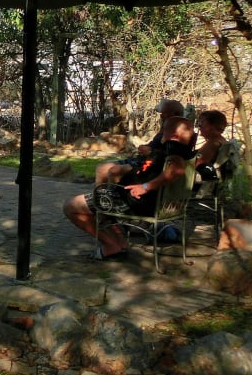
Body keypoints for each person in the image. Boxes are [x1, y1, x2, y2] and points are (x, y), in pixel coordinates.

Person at [64, 114, 195, 259]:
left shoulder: (174, 147)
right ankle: (120, 243)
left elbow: (177, 170)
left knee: (71, 206)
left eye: (164, 130)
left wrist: (145, 187)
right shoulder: (180, 150)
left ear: (174, 135)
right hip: (138, 200)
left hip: (134, 202)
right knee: (103, 195)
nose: (161, 133)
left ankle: (111, 245)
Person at [95, 98, 193, 185]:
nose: (161, 116)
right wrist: (146, 148)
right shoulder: (168, 129)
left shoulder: (179, 134)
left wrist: (150, 152)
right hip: (145, 160)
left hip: (150, 166)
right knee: (101, 168)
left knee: (112, 170)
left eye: (164, 113)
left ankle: (110, 196)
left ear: (174, 114)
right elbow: (158, 148)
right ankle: (101, 196)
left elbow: (169, 156)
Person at [192, 109, 228, 182]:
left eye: (202, 122)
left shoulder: (213, 143)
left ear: (213, 126)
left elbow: (195, 164)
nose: (199, 125)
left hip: (202, 184)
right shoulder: (221, 140)